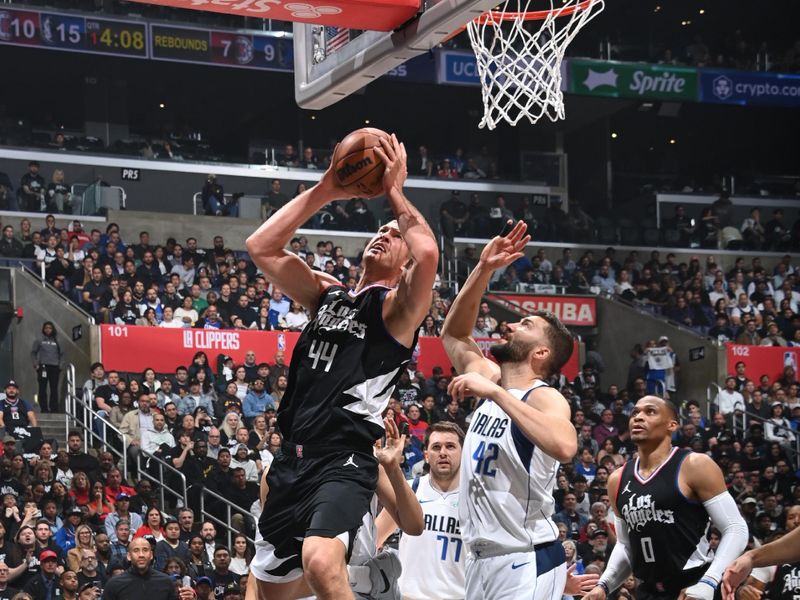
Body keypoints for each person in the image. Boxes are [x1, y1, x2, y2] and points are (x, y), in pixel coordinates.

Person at [244, 133, 438, 600]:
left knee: (321, 558)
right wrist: (328, 187)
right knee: (272, 592)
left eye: (395, 237)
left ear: (406, 266)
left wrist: (393, 188)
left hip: (344, 458)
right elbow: (261, 247)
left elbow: (428, 252)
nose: (384, 234)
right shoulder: (326, 293)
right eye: (380, 230)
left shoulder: (396, 310)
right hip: (291, 460)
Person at [440, 220, 578, 599]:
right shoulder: (490, 376)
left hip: (526, 555)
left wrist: (498, 395)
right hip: (481, 559)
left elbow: (565, 447)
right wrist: (483, 269)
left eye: (525, 324)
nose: (510, 325)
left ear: (541, 353)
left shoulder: (543, 395)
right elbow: (453, 334)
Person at [583, 396, 748, 600]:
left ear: (672, 425)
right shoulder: (617, 479)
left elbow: (736, 527)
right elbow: (625, 546)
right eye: (635, 412)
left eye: (650, 412)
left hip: (693, 587)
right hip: (648, 591)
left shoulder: (694, 465)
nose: (638, 418)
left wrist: (710, 580)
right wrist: (604, 585)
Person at [375, 422, 466, 600]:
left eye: (450, 446)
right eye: (436, 447)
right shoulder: (410, 491)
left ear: (463, 453)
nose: (443, 453)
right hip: (409, 595)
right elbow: (374, 539)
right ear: (426, 454)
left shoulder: (475, 498)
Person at [722, 504, 800, 599]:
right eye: (791, 517)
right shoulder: (771, 557)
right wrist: (741, 592)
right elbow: (748, 592)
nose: (796, 521)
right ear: (785, 524)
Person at [102, 537, 194, 600]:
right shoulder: (114, 584)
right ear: (129, 556)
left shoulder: (165, 582)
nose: (141, 555)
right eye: (136, 550)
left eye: (145, 550)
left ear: (151, 555)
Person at [30, 322, 63, 414]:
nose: (48, 330)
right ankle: (44, 408)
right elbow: (33, 353)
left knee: (54, 389)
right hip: (43, 367)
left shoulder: (57, 340)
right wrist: (36, 365)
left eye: (50, 328)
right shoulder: (39, 340)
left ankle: (54, 409)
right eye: (46, 328)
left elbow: (62, 354)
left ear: (53, 329)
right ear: (43, 329)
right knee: (42, 388)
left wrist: (60, 365)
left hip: (54, 367)